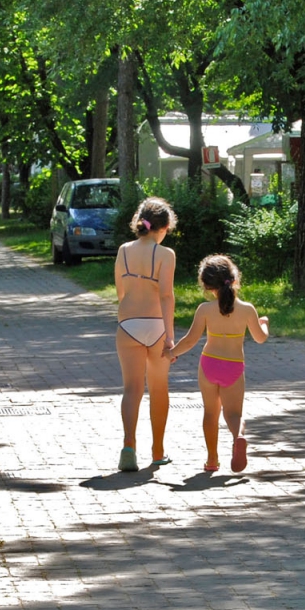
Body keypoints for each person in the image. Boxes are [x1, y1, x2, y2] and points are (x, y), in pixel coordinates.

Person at [169, 254, 269, 473]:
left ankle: (212, 459)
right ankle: (238, 436)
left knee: (210, 413)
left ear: (206, 285)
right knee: (233, 414)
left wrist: (171, 353)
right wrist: (264, 324)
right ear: (233, 279)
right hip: (233, 367)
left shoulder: (204, 309)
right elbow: (260, 338)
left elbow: (190, 340)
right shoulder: (247, 309)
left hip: (209, 365)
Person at [115, 197, 178, 472]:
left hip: (128, 324)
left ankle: (129, 446)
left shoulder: (124, 250)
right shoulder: (166, 255)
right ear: (163, 227)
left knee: (132, 389)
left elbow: (120, 291)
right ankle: (158, 450)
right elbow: (166, 295)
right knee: (159, 389)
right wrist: (170, 337)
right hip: (156, 326)